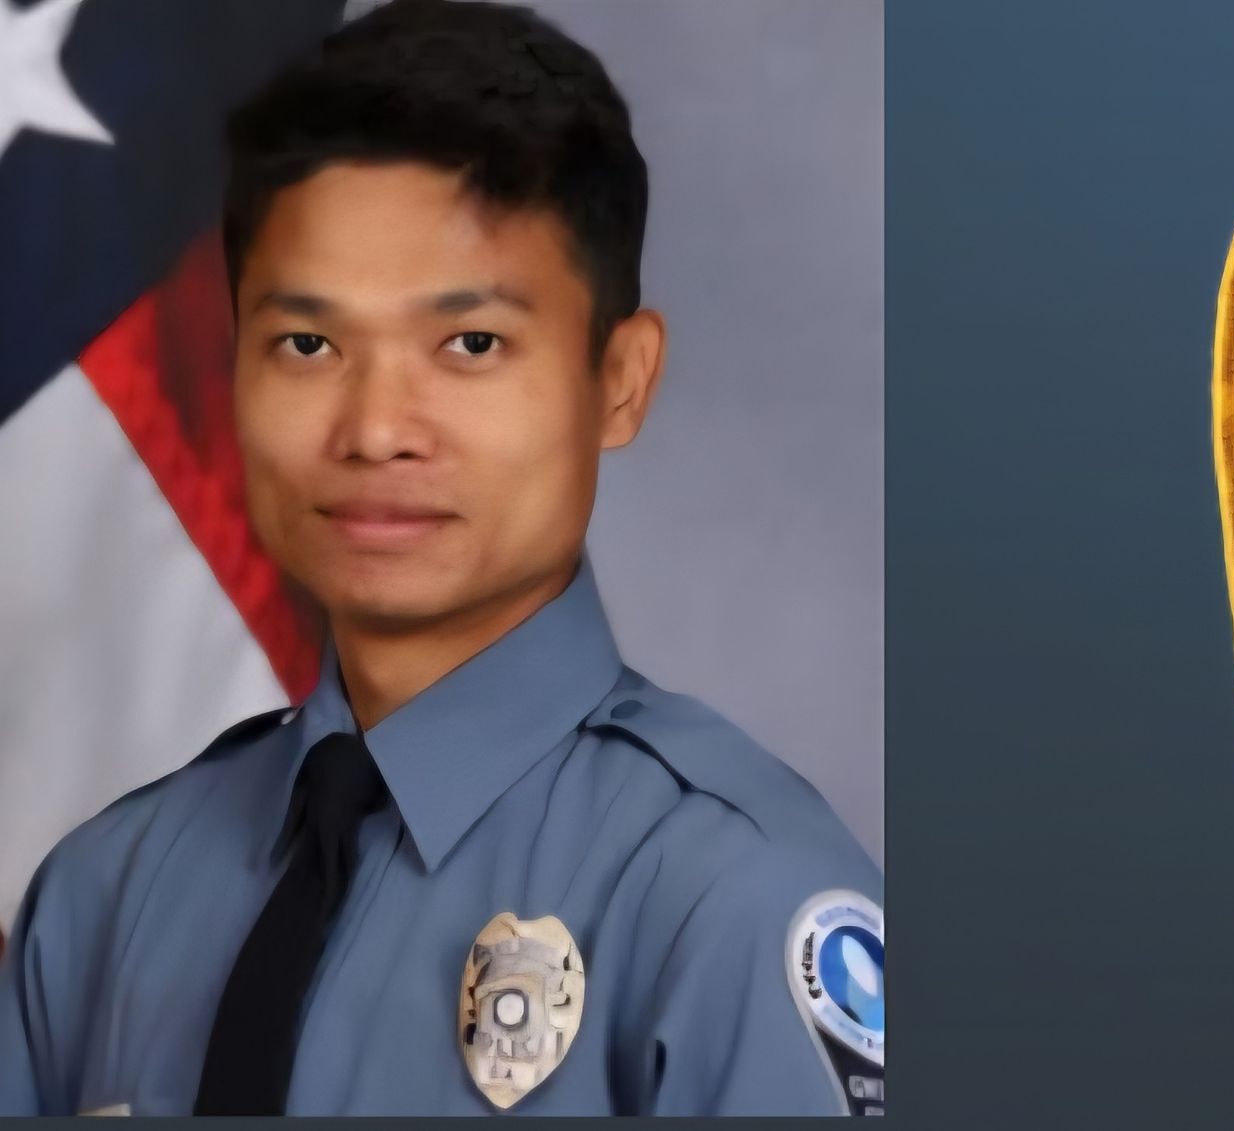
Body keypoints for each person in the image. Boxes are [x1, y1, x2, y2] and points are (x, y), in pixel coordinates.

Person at [0, 0, 881, 1116]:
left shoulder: (732, 903)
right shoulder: (102, 899)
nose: (375, 429)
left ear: (620, 379)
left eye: (470, 344)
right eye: (307, 344)